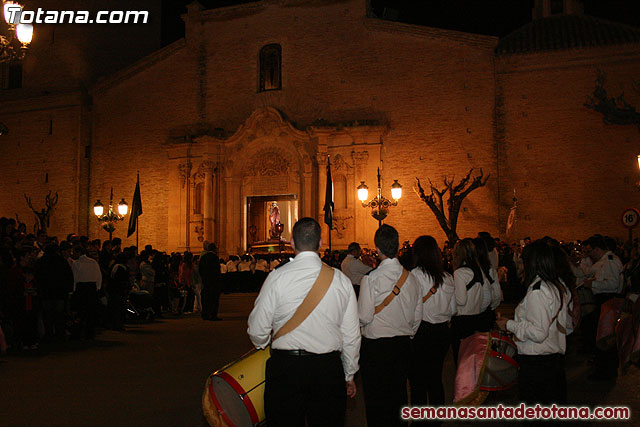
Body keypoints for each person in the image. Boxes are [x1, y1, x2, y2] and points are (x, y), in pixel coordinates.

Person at [248, 217, 360, 426]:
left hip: (286, 367)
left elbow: (257, 328)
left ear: (291, 243)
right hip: (327, 368)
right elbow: (352, 335)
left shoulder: (276, 278)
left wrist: (262, 342)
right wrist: (349, 373)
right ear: (320, 244)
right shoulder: (340, 280)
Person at [358, 224, 421, 427]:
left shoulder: (371, 279)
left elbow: (365, 316)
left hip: (376, 347)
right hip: (402, 345)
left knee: (376, 401)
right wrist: (407, 334)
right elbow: (417, 315)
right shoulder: (411, 278)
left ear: (377, 249)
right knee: (399, 396)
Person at [497, 240, 573, 404]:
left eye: (523, 261)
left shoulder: (538, 291)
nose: (520, 265)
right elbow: (566, 325)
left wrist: (509, 325)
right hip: (551, 361)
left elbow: (538, 333)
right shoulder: (555, 286)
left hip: (538, 364)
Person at [409, 235, 454, 413]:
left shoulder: (415, 275)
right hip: (442, 332)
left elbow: (414, 308)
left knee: (417, 380)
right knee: (435, 377)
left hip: (422, 331)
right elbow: (453, 309)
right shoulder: (448, 277)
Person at [582, 234, 624, 380]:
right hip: (604, 300)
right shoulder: (606, 261)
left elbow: (613, 284)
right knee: (602, 335)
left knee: (606, 337)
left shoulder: (610, 261)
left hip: (608, 300)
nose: (590, 255)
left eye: (590, 251)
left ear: (597, 249)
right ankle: (603, 368)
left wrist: (593, 284)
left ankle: (606, 371)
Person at [450, 238, 486, 364]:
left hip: (462, 321)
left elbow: (461, 300)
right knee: (473, 358)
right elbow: (486, 296)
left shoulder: (460, 273)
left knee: (461, 359)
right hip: (476, 318)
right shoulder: (479, 271)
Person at [71, 245, 102, 339]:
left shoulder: (76, 263)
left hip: (81, 288)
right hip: (92, 288)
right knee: (90, 312)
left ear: (78, 253)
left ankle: (78, 333)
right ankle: (90, 333)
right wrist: (97, 287)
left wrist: (73, 290)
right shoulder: (93, 262)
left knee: (80, 312)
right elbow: (99, 275)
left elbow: (75, 278)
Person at [199, 243, 221, 321]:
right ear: (214, 249)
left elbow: (200, 269)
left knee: (205, 298)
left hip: (205, 281)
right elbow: (217, 270)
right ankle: (213, 315)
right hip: (213, 281)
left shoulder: (203, 257)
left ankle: (205, 314)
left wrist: (203, 277)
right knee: (213, 299)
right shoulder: (215, 258)